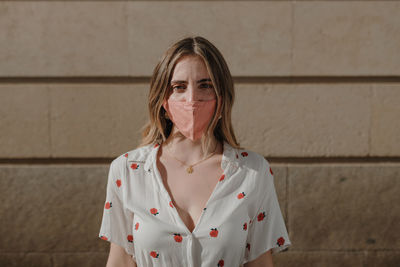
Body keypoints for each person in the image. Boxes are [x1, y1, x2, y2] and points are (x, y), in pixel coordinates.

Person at [99, 36, 291, 267]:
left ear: (222, 97)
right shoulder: (128, 170)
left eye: (205, 85)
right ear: (163, 99)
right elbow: (120, 261)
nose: (192, 99)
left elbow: (260, 263)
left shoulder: (253, 172)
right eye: (179, 87)